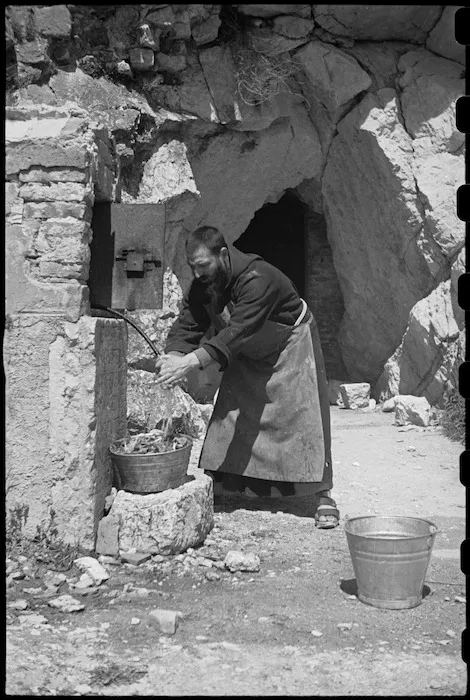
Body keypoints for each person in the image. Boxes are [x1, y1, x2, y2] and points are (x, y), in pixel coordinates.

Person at [155, 225, 340, 528]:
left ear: (224, 255)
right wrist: (175, 354)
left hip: (289, 346)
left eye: (203, 265)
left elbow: (237, 330)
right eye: (193, 267)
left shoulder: (259, 278)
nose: (198, 273)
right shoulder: (205, 282)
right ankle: (226, 486)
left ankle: (321, 494)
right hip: (245, 347)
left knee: (302, 421)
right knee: (229, 417)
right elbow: (189, 323)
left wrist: (190, 362)